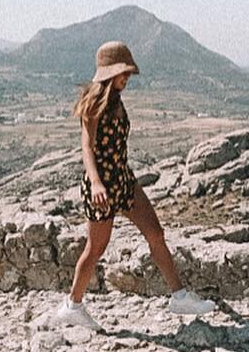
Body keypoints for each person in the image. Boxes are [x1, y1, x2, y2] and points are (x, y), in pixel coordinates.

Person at [52, 39, 215, 329]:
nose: (127, 78)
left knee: (155, 232)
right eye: (122, 73)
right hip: (101, 186)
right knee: (95, 249)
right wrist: (97, 183)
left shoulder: (116, 99)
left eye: (127, 73)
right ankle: (72, 305)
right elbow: (87, 148)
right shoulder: (93, 104)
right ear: (108, 73)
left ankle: (179, 296)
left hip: (124, 179)